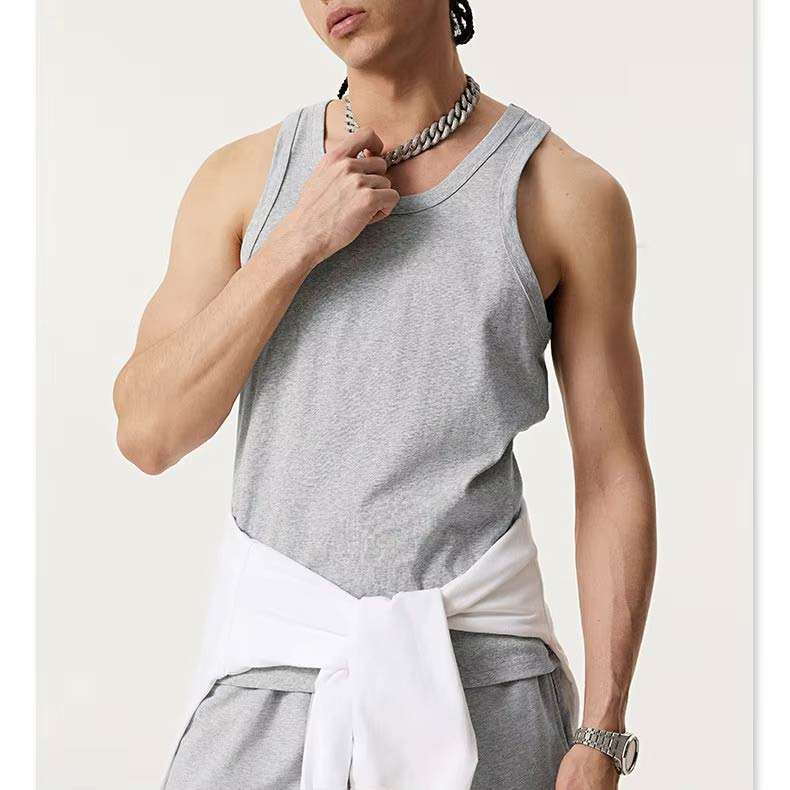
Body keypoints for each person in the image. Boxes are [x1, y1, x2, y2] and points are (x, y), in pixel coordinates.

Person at [113, 1, 656, 788]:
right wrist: (296, 242)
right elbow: (147, 432)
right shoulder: (241, 181)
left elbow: (610, 472)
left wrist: (603, 730)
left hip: (489, 695)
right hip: (270, 692)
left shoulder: (563, 194)